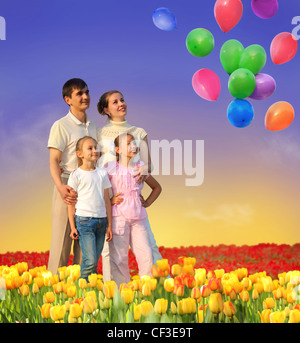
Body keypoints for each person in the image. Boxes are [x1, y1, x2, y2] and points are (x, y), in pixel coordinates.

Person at [96, 90, 163, 282]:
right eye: (115, 102)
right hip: (110, 200)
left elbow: (148, 164)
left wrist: (143, 171)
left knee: (148, 246)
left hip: (133, 200)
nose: (120, 104)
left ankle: (156, 289)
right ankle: (115, 294)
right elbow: (97, 163)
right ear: (106, 109)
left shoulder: (139, 132)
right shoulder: (99, 133)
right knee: (111, 252)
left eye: (122, 100)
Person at [47, 78, 98, 275]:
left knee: (85, 244)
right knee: (61, 241)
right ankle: (53, 295)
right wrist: (61, 187)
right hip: (68, 185)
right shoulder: (61, 125)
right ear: (68, 99)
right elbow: (53, 160)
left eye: (86, 92)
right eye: (79, 94)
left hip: (90, 185)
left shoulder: (93, 126)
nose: (85, 97)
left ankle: (81, 295)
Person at [105, 133, 161, 286]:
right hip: (118, 218)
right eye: (128, 143)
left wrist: (147, 202)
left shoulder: (140, 167)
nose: (133, 146)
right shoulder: (110, 168)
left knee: (146, 255)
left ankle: (146, 292)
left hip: (138, 218)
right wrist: (110, 201)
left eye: (134, 143)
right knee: (119, 258)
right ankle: (122, 294)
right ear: (118, 149)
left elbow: (157, 187)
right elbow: (100, 190)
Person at [67, 136, 112, 280]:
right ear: (79, 154)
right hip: (84, 221)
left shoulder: (102, 173)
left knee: (93, 263)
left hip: (101, 222)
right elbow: (71, 203)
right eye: (90, 148)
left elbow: (106, 200)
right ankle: (79, 291)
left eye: (96, 147)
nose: (94, 150)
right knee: (90, 262)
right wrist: (73, 227)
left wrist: (109, 225)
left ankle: (90, 292)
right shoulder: (76, 175)